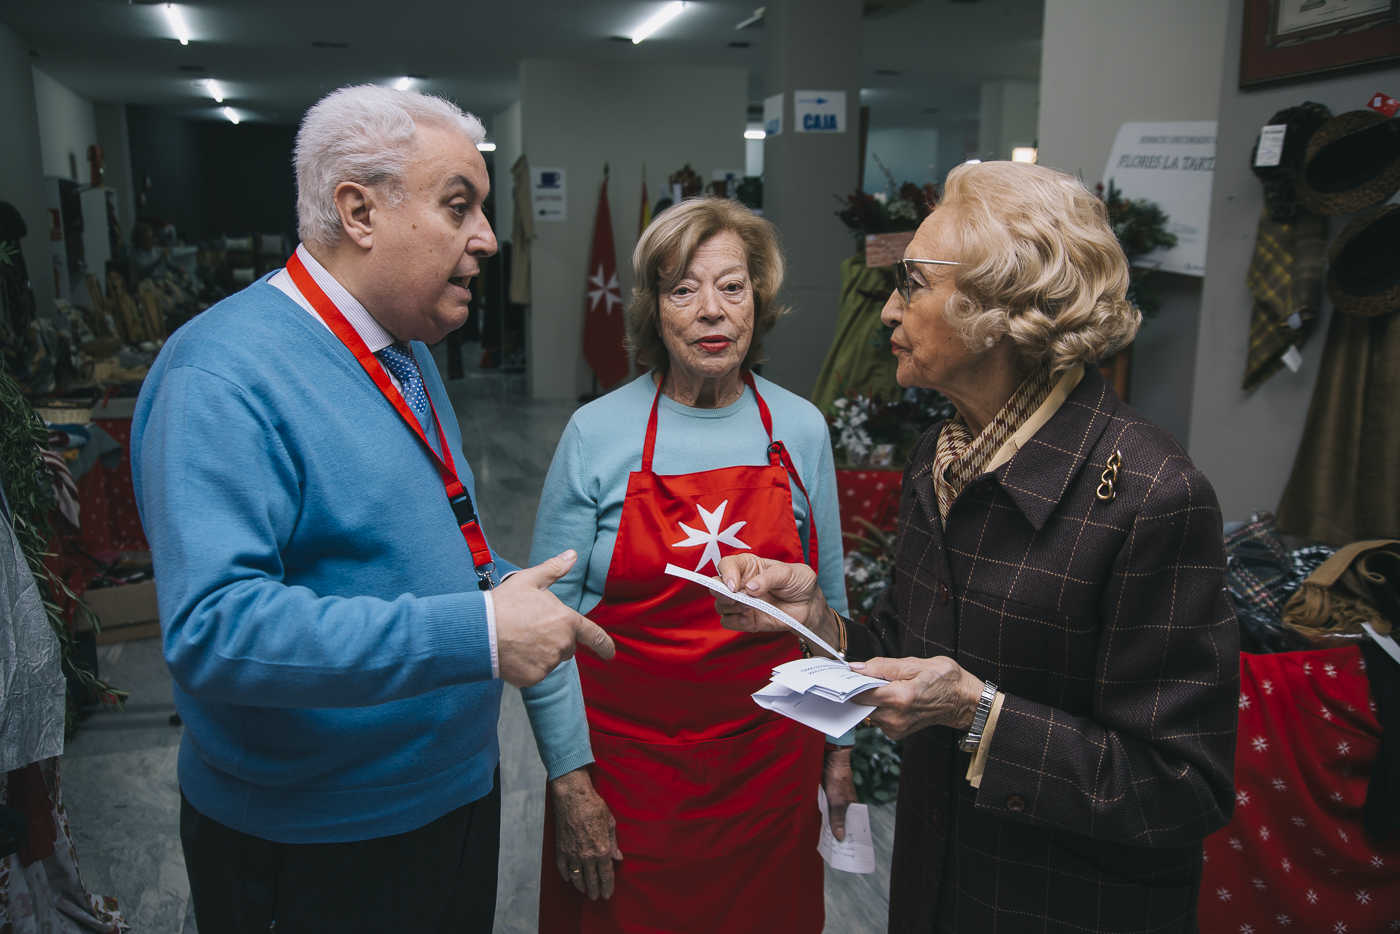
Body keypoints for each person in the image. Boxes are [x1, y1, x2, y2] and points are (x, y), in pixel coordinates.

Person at [129, 85, 614, 933]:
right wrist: (482, 633)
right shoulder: (219, 374)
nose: (488, 240)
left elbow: (420, 544)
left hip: (449, 797)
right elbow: (216, 629)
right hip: (318, 841)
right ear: (357, 210)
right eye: (457, 205)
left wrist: (509, 593)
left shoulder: (404, 348)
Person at [718, 161, 1239, 933]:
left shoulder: (1154, 497)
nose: (888, 312)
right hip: (938, 889)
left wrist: (978, 714)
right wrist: (820, 622)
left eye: (914, 284)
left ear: (1000, 306)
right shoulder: (940, 454)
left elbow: (1181, 785)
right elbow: (908, 650)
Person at [524, 197, 853, 932]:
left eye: (731, 287)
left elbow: (829, 610)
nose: (712, 311)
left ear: (757, 302)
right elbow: (545, 635)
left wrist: (838, 745)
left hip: (769, 767)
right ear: (654, 309)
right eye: (684, 289)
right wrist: (571, 784)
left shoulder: (799, 429)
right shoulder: (596, 433)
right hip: (628, 777)